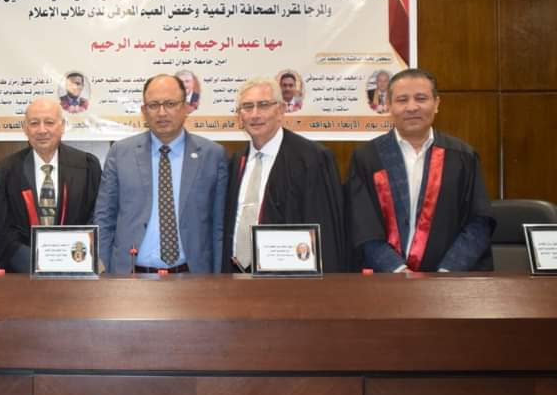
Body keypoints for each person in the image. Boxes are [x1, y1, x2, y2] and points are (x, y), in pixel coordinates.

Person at [345, 69, 494, 272]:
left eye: (421, 98)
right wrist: (397, 270)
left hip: (449, 280)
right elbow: (362, 225)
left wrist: (447, 272)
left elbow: (478, 223)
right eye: (402, 100)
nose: (412, 107)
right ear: (389, 105)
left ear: (436, 104)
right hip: (386, 280)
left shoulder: (462, 157)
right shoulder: (367, 158)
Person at [93, 74, 227, 274]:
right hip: (131, 277)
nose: (162, 112)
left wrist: (217, 277)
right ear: (144, 111)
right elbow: (104, 218)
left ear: (185, 107)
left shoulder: (212, 155)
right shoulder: (120, 153)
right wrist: (102, 271)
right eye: (154, 105)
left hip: (192, 277)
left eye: (170, 104)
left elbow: (219, 226)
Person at [223, 78, 348, 273]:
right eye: (247, 107)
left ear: (281, 110)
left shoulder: (312, 159)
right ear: (239, 116)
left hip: (291, 281)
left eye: (264, 105)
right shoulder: (235, 162)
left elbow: (326, 235)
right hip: (235, 276)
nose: (255, 114)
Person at [0, 97, 101, 273]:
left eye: (49, 122)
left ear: (62, 126)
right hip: (23, 273)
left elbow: (97, 217)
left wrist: (74, 257)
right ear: (25, 128)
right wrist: (34, 261)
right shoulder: (7, 171)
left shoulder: (86, 166)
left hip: (76, 268)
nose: (42, 130)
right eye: (34, 123)